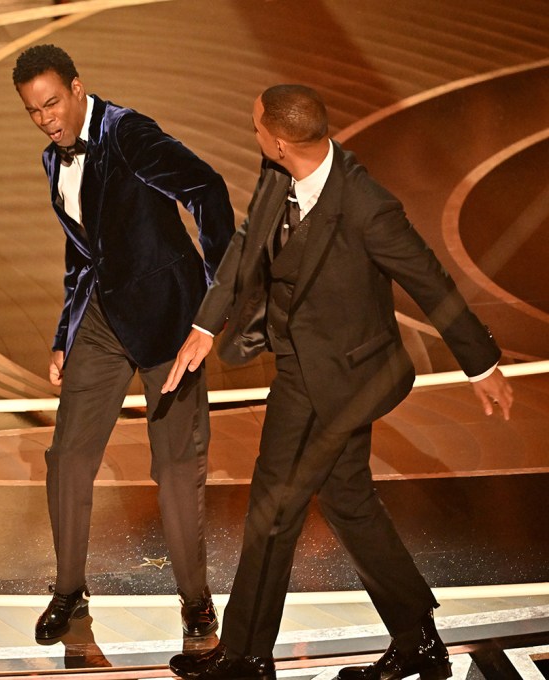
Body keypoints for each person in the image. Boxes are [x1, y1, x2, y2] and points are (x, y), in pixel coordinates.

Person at [162, 85, 513, 680]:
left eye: (254, 127)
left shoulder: (367, 206)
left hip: (347, 379)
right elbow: (249, 243)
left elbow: (430, 281)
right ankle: (418, 639)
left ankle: (248, 656)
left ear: (278, 138)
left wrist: (481, 364)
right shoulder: (279, 173)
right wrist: (205, 322)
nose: (253, 135)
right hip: (301, 365)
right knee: (348, 503)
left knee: (274, 508)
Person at [12, 44, 234, 642]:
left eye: (53, 103)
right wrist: (64, 335)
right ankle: (68, 592)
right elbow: (82, 251)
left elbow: (207, 191)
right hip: (103, 323)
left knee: (176, 465)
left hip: (168, 324)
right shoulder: (53, 159)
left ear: (78, 87)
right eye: (34, 111)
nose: (47, 119)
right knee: (68, 458)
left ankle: (196, 602)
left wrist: (212, 306)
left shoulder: (128, 133)